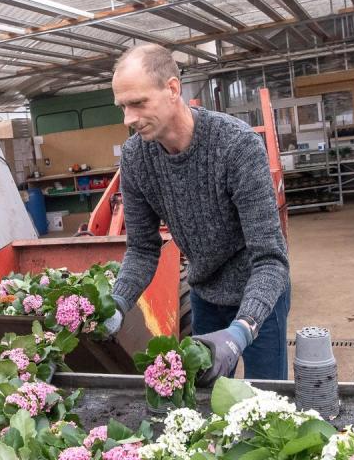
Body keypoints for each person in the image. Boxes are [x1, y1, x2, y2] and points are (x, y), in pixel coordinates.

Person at [102, 43, 291, 382]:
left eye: (138, 103)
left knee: (268, 400)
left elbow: (271, 259)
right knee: (207, 399)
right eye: (122, 107)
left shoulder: (236, 145)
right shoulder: (135, 159)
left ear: (172, 89)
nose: (128, 119)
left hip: (259, 292)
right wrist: (117, 302)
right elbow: (143, 250)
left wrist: (242, 330)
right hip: (206, 294)